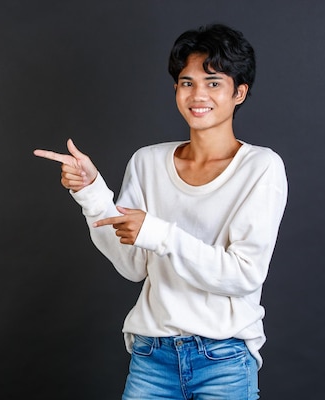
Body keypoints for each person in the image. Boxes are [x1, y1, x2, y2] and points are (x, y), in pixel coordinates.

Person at [34, 24, 287, 399]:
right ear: (176, 89)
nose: (198, 94)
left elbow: (244, 274)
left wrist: (159, 233)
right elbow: (133, 264)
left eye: (213, 82)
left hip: (224, 358)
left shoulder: (260, 167)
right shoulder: (147, 162)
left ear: (240, 92)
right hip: (153, 354)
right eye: (187, 83)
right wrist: (91, 191)